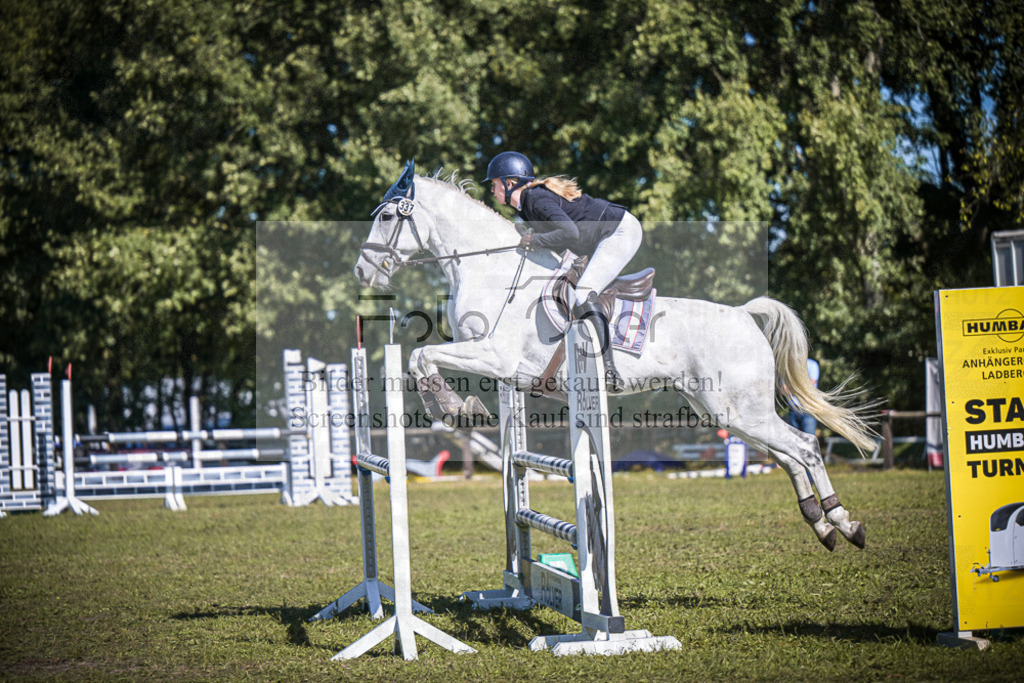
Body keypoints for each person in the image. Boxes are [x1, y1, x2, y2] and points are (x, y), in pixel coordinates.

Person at [483, 151, 642, 391]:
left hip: (618, 230)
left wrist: (534, 239)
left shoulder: (535, 199)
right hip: (601, 235)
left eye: (494, 184)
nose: (492, 191)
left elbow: (570, 234)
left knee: (584, 292)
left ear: (509, 183)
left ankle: (610, 369)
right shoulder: (526, 206)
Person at [786, 358, 820, 435]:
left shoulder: (812, 364)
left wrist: (791, 388)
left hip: (807, 409)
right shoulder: (789, 365)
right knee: (795, 443)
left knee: (808, 440)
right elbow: (783, 390)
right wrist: (798, 388)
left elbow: (810, 386)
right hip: (793, 409)